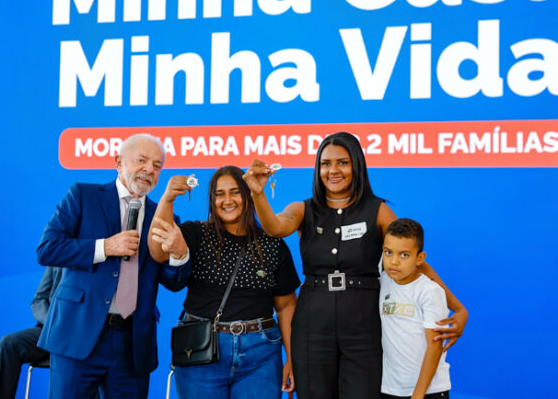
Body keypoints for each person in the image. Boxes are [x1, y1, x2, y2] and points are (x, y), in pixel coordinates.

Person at [243, 131, 468, 399]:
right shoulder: (303, 209)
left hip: (364, 326)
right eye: (325, 163)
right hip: (313, 324)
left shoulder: (378, 210)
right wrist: (258, 194)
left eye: (343, 162)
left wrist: (457, 308)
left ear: (357, 165)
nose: (333, 170)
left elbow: (412, 261)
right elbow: (275, 227)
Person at [36, 133, 190, 399]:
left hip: (133, 343)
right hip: (78, 334)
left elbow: (174, 282)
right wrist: (105, 247)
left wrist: (179, 254)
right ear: (118, 162)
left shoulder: (165, 217)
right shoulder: (83, 196)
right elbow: (47, 249)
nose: (149, 169)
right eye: (141, 160)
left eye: (157, 165)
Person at [147, 165, 300, 399]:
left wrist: (292, 358)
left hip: (261, 354)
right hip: (201, 351)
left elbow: (286, 306)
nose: (227, 200)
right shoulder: (196, 233)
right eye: (219, 194)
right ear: (212, 200)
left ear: (248, 195)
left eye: (235, 192)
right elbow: (158, 252)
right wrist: (167, 198)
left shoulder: (272, 243)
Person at [380, 218, 451, 399]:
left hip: (429, 390)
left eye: (404, 255)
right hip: (391, 389)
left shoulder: (430, 291)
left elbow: (435, 347)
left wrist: (418, 394)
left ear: (420, 258)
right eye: (388, 252)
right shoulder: (383, 281)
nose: (394, 261)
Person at [0, 266, 62, 399]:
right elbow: (39, 299)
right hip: (49, 329)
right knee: (8, 344)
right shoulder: (56, 257)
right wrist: (51, 323)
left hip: (80, 335)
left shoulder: (97, 257)